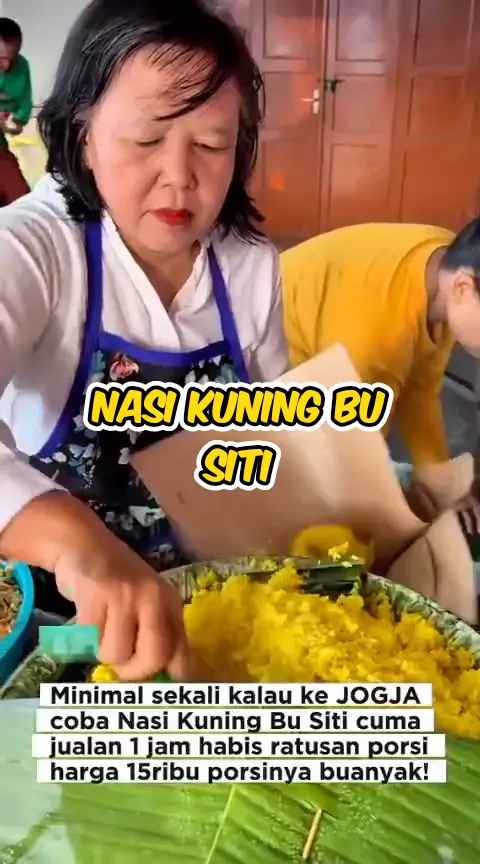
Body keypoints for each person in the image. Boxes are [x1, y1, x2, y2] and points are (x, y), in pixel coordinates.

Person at [0, 0, 288, 680]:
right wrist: (82, 545)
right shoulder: (36, 249)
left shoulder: (249, 265)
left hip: (212, 600)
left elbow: (274, 431)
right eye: (146, 139)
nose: (180, 176)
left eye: (211, 144)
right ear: (84, 137)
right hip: (68, 620)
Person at [281, 221, 480, 468]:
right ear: (463, 288)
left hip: (323, 306)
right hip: (270, 338)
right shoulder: (379, 337)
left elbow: (420, 389)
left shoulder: (449, 265)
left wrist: (438, 472)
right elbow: (358, 449)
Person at [0, 17, 32, 205]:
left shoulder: (22, 67)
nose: (6, 65)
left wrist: (10, 126)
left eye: (11, 59)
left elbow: (18, 122)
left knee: (23, 202)